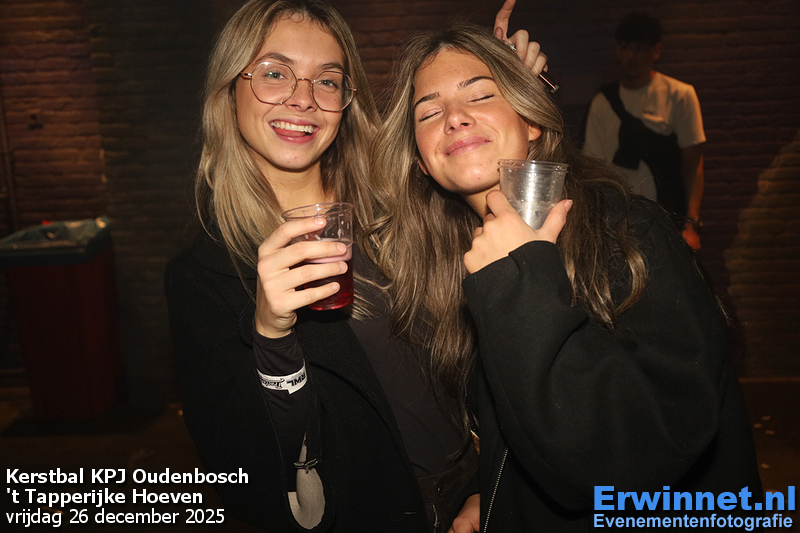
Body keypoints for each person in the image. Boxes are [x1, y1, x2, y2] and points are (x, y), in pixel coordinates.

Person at [163, 1, 545, 531]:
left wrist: (509, 94)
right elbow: (246, 481)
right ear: (230, 89)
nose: (303, 98)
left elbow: (508, 342)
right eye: (274, 73)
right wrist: (271, 336)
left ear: (346, 100)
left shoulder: (405, 206)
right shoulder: (203, 276)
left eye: (327, 80)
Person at [371, 22, 762, 532]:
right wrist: (487, 493)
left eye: (482, 94)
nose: (455, 118)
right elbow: (520, 424)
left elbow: (627, 464)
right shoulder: (455, 264)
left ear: (531, 121)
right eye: (429, 112)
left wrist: (522, 278)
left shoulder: (629, 233)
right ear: (422, 162)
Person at [583, 13, 705, 251]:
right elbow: (592, 168)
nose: (631, 56)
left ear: (655, 51)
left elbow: (693, 165)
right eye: (626, 47)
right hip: (618, 222)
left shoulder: (680, 95)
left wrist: (691, 224)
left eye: (639, 48)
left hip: (667, 217)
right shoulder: (603, 102)